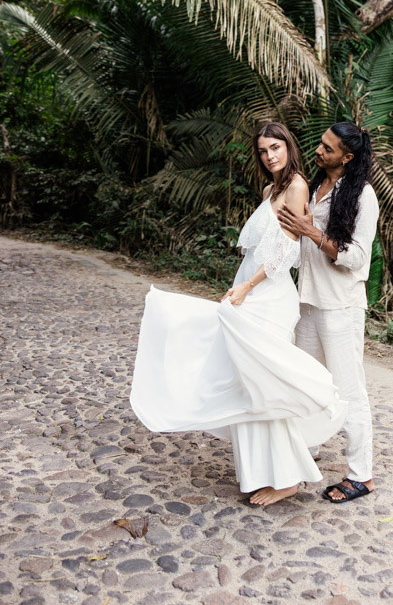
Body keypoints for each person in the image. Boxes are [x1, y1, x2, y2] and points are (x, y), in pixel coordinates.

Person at [129, 121, 346, 506]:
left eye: (275, 147)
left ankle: (287, 479)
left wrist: (247, 286)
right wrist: (239, 284)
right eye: (263, 151)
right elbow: (258, 249)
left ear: (288, 147)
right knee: (246, 383)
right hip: (247, 287)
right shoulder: (269, 190)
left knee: (262, 383)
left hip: (269, 292)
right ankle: (263, 472)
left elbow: (286, 252)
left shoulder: (297, 185)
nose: (270, 156)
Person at [277, 121, 379, 503]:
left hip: (340, 306)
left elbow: (357, 257)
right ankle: (308, 446)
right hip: (307, 301)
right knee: (306, 381)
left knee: (349, 390)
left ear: (347, 157)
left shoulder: (362, 196)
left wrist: (313, 232)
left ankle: (361, 475)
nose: (319, 151)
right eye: (320, 143)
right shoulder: (315, 186)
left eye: (328, 148)